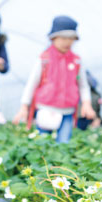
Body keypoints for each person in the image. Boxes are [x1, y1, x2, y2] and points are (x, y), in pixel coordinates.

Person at [13, 15, 95, 143]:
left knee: (63, 144)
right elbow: (32, 84)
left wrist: (86, 103)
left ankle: (58, 163)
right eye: (63, 38)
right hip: (46, 109)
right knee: (43, 143)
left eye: (71, 39)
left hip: (67, 111)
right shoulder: (44, 59)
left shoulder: (77, 60)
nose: (67, 42)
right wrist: (24, 106)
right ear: (53, 38)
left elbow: (83, 85)